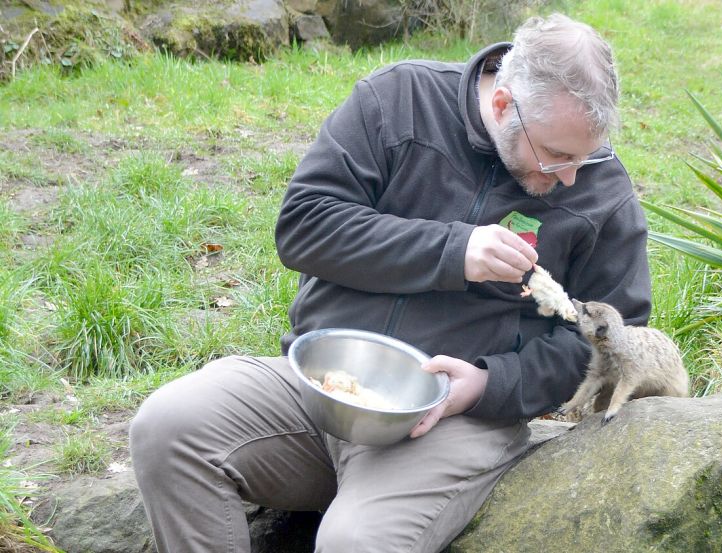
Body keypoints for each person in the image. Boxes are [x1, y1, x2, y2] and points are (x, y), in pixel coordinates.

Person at [129, 12, 651, 552]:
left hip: (452, 423)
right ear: (503, 105)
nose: (569, 177)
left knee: (355, 541)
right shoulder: (398, 99)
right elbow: (305, 225)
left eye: (584, 156)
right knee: (169, 427)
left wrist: (489, 384)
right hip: (326, 388)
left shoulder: (602, 194)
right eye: (557, 156)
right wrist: (452, 250)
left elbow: (615, 344)